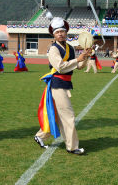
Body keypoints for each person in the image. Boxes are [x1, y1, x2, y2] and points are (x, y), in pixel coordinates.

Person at [34, 17, 90, 155]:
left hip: (65, 84)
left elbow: (79, 66)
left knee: (58, 115)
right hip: (57, 84)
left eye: (62, 32)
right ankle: (72, 147)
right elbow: (60, 67)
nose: (60, 34)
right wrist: (77, 59)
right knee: (68, 115)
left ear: (66, 33)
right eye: (57, 32)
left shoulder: (70, 48)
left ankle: (40, 136)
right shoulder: (53, 49)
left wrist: (86, 56)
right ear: (54, 34)